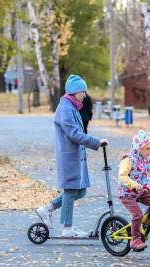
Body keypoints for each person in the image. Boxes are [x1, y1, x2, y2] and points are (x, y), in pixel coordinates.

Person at [36, 74, 108, 238]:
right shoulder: (65, 109)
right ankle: (67, 228)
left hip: (75, 157)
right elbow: (74, 134)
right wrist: (97, 142)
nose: (85, 94)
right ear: (75, 92)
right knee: (70, 191)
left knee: (80, 191)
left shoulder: (72, 106)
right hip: (69, 157)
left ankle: (47, 209)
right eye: (83, 91)